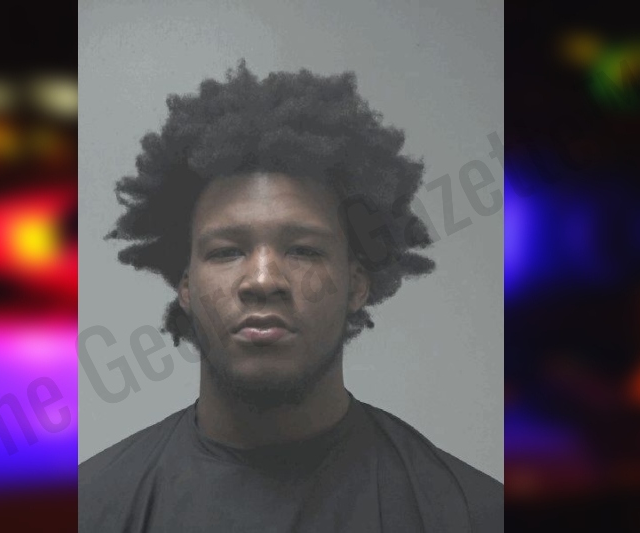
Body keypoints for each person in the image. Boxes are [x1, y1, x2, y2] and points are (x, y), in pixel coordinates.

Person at [79, 60, 503, 532]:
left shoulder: (472, 514)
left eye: (303, 250)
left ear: (356, 284)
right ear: (186, 287)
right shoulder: (90, 510)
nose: (263, 280)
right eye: (226, 251)